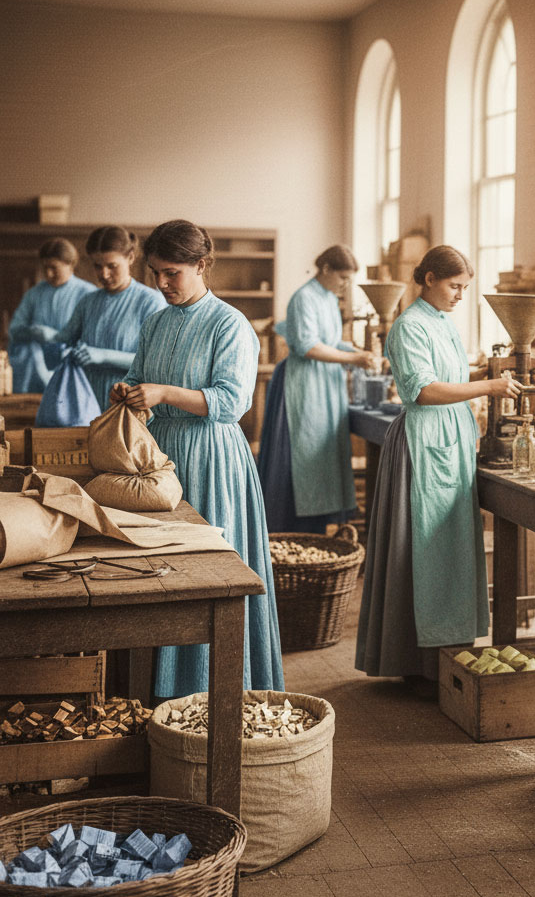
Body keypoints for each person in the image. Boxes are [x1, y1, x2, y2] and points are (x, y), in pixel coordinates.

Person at [111, 219, 284, 698]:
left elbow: (231, 402)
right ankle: (158, 690)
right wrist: (129, 389)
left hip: (209, 458)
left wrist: (163, 391)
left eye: (172, 273)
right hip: (159, 455)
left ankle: (215, 689)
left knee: (206, 573)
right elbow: (139, 372)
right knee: (159, 570)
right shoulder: (156, 320)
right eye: (155, 273)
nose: (161, 284)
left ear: (202, 266)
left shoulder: (230, 324)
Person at [355, 245, 524, 690]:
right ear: (428, 279)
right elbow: (423, 390)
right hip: (422, 445)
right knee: (422, 549)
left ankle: (446, 658)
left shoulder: (443, 322)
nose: (459, 296)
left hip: (448, 441)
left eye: (465, 289)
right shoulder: (409, 326)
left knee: (449, 553)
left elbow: (447, 373)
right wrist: (487, 385)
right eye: (454, 286)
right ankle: (418, 663)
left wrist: (483, 373)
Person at [257, 245, 375, 533]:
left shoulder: (329, 299)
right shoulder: (304, 298)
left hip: (326, 384)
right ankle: (290, 527)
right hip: (304, 383)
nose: (346, 284)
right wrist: (354, 358)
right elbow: (308, 346)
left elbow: (331, 342)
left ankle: (318, 524)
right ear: (326, 270)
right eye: (344, 277)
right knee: (303, 448)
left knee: (322, 452)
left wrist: (360, 353)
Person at [60, 225, 167, 409]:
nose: (104, 274)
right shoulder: (88, 302)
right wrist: (60, 349)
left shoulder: (150, 302)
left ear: (131, 258)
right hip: (87, 403)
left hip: (129, 405)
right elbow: (64, 340)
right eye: (98, 266)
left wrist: (103, 355)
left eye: (112, 266)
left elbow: (156, 363)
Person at [7, 238, 95, 393]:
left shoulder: (88, 294)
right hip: (35, 367)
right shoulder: (34, 293)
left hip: (72, 363)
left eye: (54, 268)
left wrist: (58, 336)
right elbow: (14, 329)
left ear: (70, 264)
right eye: (45, 268)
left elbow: (94, 337)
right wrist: (31, 332)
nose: (48, 274)